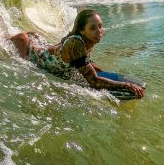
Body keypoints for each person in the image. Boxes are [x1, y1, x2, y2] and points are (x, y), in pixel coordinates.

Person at [10, 9, 145, 99]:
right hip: (30, 50)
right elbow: (94, 81)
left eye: (100, 26)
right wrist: (126, 85)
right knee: (16, 48)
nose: (99, 31)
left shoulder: (88, 40)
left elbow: (84, 61)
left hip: (45, 48)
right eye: (93, 28)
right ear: (82, 30)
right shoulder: (76, 43)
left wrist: (95, 68)